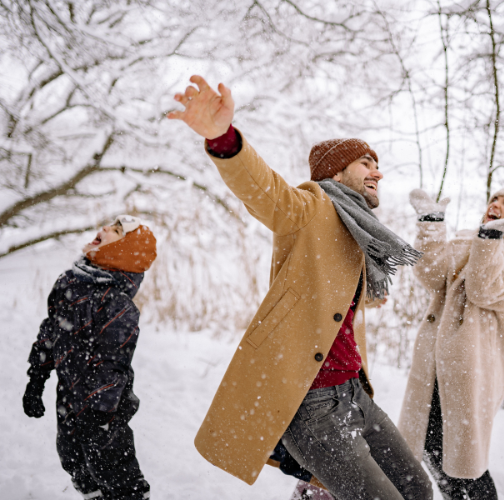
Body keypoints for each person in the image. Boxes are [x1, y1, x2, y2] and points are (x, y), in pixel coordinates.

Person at [167, 75, 432, 500]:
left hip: (353, 393)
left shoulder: (359, 230)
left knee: (417, 488)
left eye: (376, 163)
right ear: (336, 171)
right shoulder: (311, 208)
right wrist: (224, 139)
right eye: (365, 163)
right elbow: (265, 191)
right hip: (313, 404)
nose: (377, 171)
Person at [398, 187, 504, 499]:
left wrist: (490, 241)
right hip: (435, 360)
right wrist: (431, 224)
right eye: (495, 199)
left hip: (473, 363)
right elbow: (431, 274)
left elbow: (481, 290)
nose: (497, 205)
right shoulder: (466, 238)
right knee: (429, 444)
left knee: (462, 457)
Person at [22, 215, 157, 500]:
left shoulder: (117, 304)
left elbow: (112, 364)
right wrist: (37, 377)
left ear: (123, 252)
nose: (105, 228)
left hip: (105, 407)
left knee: (113, 466)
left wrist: (99, 414)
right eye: (110, 224)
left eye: (117, 231)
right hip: (69, 395)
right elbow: (51, 330)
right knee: (73, 458)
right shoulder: (70, 283)